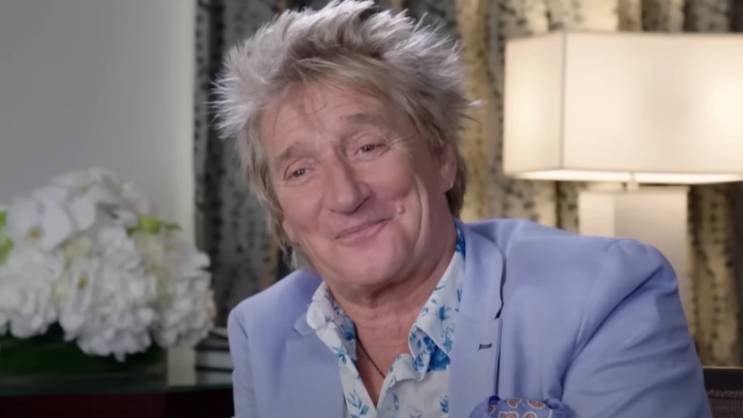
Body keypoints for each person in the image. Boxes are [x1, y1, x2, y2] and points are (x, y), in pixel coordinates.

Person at [214, 1, 711, 417]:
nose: (345, 196)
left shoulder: (604, 294)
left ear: (442, 158)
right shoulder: (261, 332)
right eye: (300, 171)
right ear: (281, 214)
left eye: (368, 146)